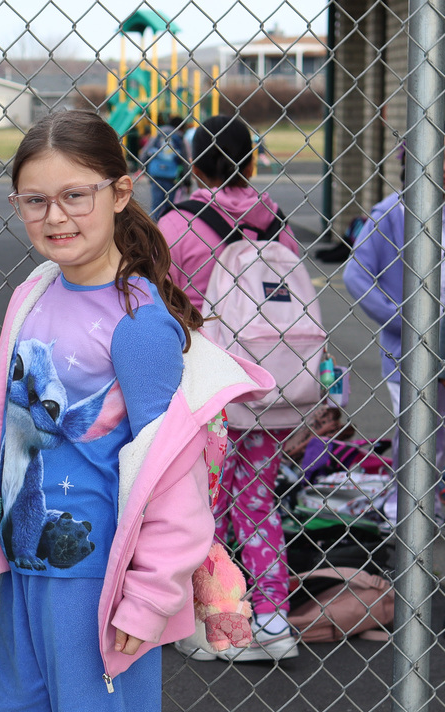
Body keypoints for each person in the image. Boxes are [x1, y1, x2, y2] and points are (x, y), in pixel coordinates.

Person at [0, 109, 270, 712]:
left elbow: (174, 483)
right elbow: (0, 421)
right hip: (25, 572)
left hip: (102, 588)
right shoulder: (31, 293)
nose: (57, 216)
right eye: (36, 201)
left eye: (76, 196)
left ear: (119, 192)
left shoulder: (141, 325)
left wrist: (146, 603)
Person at [158, 115, 301, 661]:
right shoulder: (277, 223)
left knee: (202, 498)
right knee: (259, 498)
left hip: (207, 384)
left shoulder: (176, 225)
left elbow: (149, 294)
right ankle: (271, 618)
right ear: (251, 161)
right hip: (269, 382)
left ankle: (212, 618)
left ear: (194, 161)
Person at [343, 162, 445, 529]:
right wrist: (400, 318)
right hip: (407, 352)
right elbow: (356, 274)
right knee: (417, 432)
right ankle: (403, 510)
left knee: (438, 437)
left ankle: (427, 501)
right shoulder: (392, 215)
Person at [142, 114, 186, 220]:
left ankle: (153, 227)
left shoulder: (158, 135)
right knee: (169, 206)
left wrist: (145, 169)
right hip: (172, 176)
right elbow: (185, 159)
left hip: (156, 174)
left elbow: (144, 153)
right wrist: (186, 178)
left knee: (156, 205)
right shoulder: (179, 138)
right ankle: (168, 227)